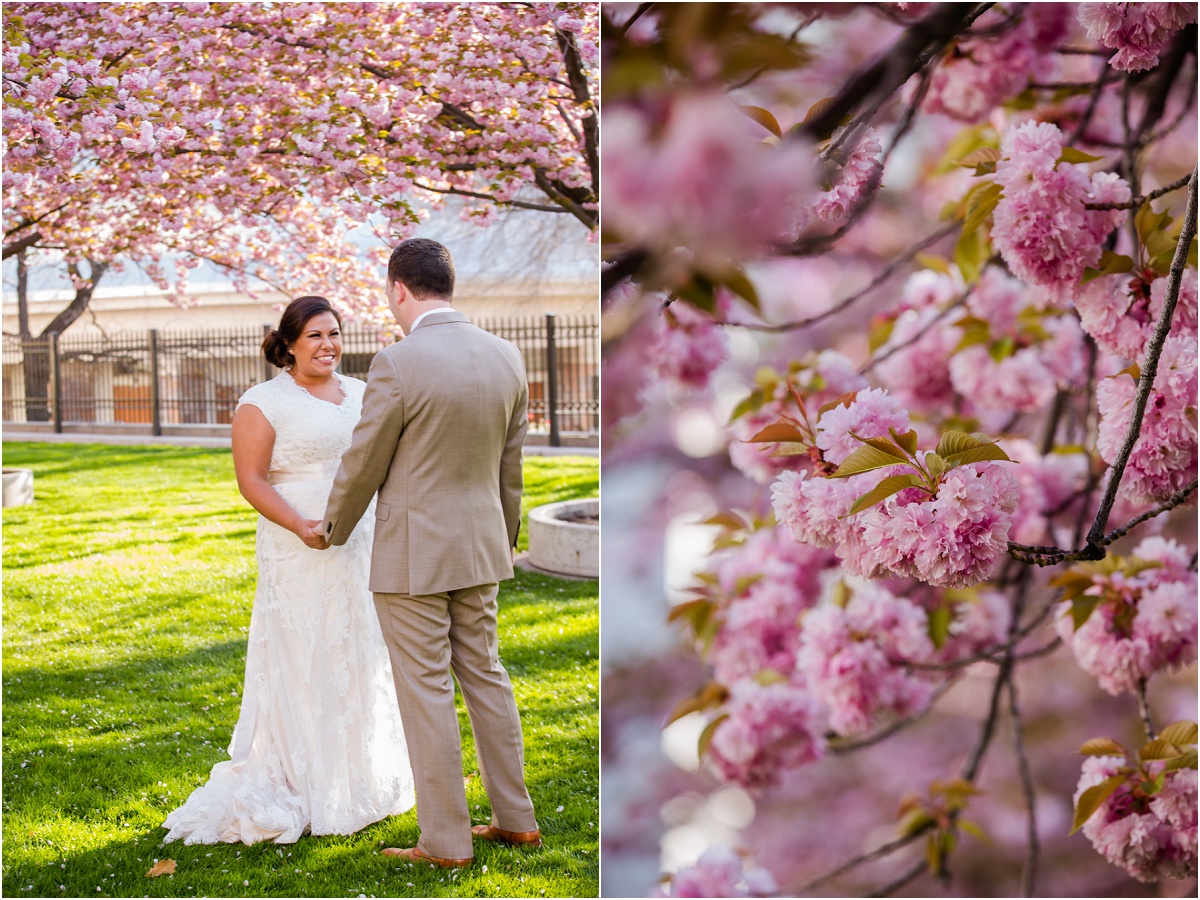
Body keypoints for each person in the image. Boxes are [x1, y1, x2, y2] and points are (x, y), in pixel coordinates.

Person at [317, 238, 540, 868]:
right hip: (481, 547)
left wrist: (332, 526)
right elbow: (510, 466)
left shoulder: (397, 363)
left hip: (414, 554)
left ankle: (445, 842)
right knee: (487, 676)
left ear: (398, 290)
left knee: (426, 690)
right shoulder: (507, 357)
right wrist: (503, 534)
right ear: (449, 283)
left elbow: (364, 462)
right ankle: (516, 820)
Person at [161, 295, 415, 845]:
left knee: (360, 646)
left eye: (335, 334)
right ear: (290, 344)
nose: (329, 346)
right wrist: (300, 523)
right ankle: (304, 777)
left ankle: (363, 775)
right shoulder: (262, 402)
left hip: (362, 537)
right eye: (316, 336)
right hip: (296, 541)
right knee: (307, 648)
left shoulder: (363, 393)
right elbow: (252, 479)